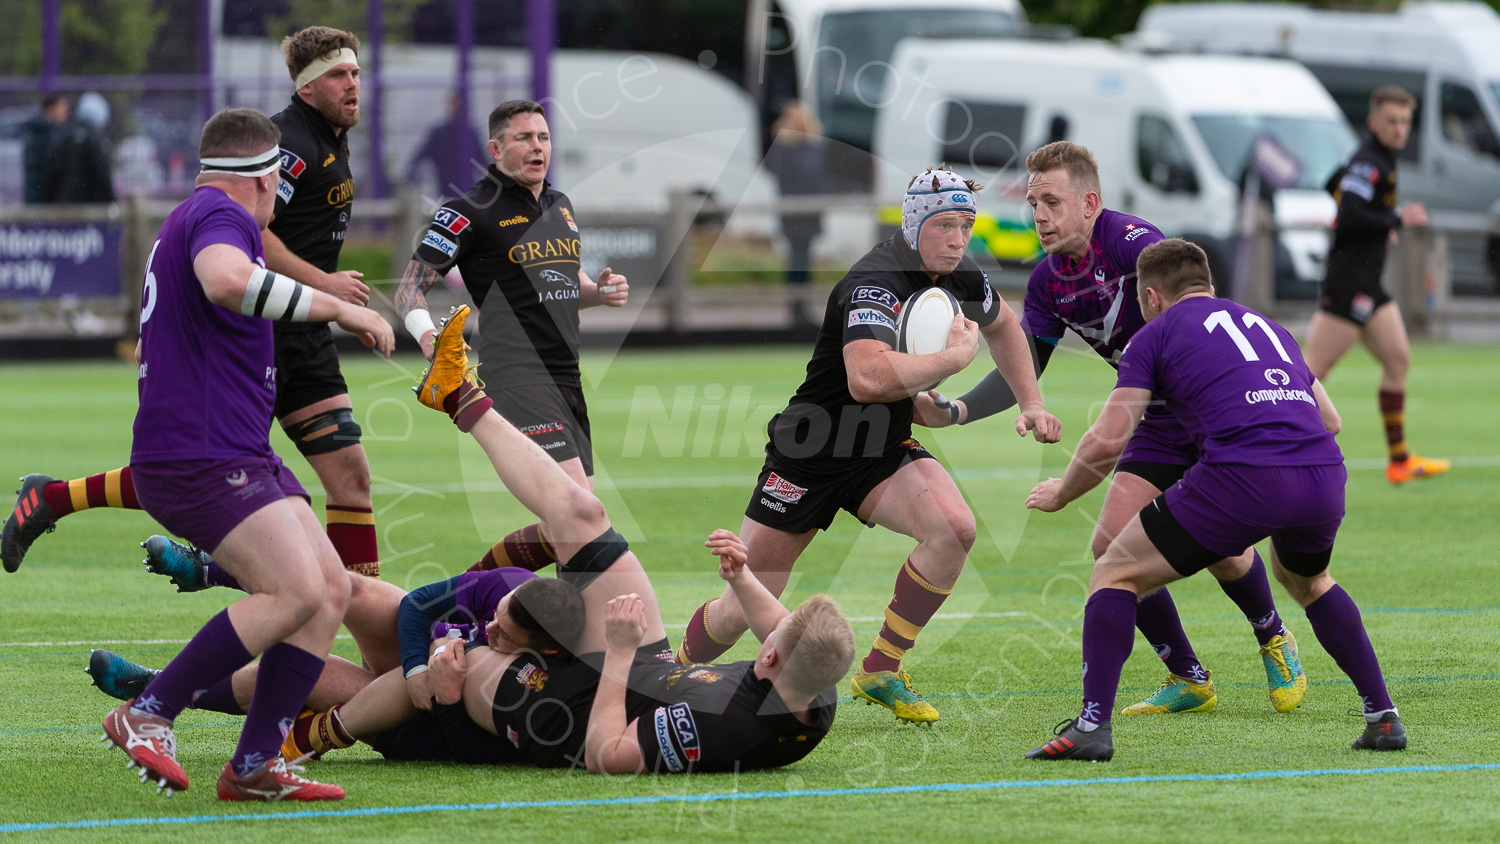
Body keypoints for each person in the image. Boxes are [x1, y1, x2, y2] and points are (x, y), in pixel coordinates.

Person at [277, 311, 855, 773]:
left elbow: (609, 756)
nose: (766, 627)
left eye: (770, 636)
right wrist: (742, 580)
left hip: (570, 715)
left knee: (446, 662)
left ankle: (306, 727)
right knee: (582, 510)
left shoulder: (729, 727)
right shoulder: (813, 689)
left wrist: (621, 653)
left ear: (774, 658)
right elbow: (786, 631)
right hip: (643, 661)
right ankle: (456, 391)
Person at [3, 29, 394, 669]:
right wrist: (326, 288)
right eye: (338, 75)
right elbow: (246, 239)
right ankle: (323, 622)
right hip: (260, 327)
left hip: (303, 336)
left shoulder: (329, 139)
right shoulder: (286, 148)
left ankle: (354, 617)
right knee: (204, 467)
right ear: (306, 86)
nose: (352, 84)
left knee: (347, 476)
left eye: (356, 72)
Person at [916, 142, 1306, 717]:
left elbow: (1200, 312)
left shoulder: (1132, 243)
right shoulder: (1049, 282)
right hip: (1151, 418)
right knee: (1111, 548)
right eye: (1033, 202)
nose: (1038, 216)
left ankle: (1273, 635)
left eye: (1051, 202)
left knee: (1223, 551)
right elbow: (1025, 366)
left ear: (1090, 202)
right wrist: (958, 411)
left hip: (1203, 414)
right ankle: (1189, 676)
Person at [676, 167, 1060, 725]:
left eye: (967, 225)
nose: (958, 239)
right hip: (812, 450)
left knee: (954, 529)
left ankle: (881, 668)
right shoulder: (874, 282)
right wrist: (953, 361)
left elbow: (1003, 325)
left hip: (880, 448)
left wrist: (1031, 403)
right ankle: (667, 671)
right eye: (946, 225)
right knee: (740, 608)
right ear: (914, 225)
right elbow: (867, 380)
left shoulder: (960, 273)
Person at [97, 107, 393, 801]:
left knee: (329, 591)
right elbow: (226, 281)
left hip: (235, 447)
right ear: (261, 178)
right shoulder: (220, 217)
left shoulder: (202, 214)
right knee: (292, 592)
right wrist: (339, 306)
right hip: (200, 451)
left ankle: (255, 764)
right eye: (278, 185)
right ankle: (149, 711)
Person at [1022, 238, 1403, 761]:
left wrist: (1063, 493)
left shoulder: (1153, 336)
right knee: (1309, 581)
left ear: (1151, 297)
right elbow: (1331, 421)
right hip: (1322, 474)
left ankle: (1091, 728)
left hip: (1243, 474)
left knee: (1114, 570)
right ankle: (1382, 717)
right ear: (1208, 286)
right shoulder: (1269, 326)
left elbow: (1110, 438)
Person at [393, 99, 628, 576]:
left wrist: (598, 293)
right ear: (495, 148)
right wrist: (428, 338)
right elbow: (406, 290)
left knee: (574, 523)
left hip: (566, 379)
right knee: (581, 515)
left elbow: (561, 287)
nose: (537, 147)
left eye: (542, 137)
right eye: (523, 138)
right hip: (517, 378)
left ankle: (472, 595)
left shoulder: (559, 206)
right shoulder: (468, 210)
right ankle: (578, 634)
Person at [1303, 85, 1448, 486]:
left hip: (1370, 286)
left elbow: (1333, 183)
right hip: (1349, 284)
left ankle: (1399, 460)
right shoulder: (1370, 162)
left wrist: (1380, 225)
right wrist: (1395, 221)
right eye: (1392, 121)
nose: (1400, 129)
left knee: (1398, 360)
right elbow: (1350, 213)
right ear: (1373, 122)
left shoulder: (1376, 158)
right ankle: (1265, 446)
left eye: (1405, 122)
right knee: (1308, 374)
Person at [765, 100, 827, 327]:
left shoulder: (814, 147)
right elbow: (783, 179)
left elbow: (819, 179)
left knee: (804, 260)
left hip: (810, 214)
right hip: (793, 215)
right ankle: (796, 307)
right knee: (796, 261)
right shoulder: (782, 148)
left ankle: (803, 305)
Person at [404, 92, 486, 200]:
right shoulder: (439, 133)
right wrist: (412, 175)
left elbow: (483, 160)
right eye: (453, 105)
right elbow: (420, 156)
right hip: (445, 190)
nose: (456, 109)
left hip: (468, 192)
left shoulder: (470, 133)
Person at [44, 91, 114, 204]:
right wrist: (111, 201)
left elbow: (51, 177)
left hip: (64, 208)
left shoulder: (66, 139)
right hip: (90, 209)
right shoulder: (97, 142)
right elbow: (103, 176)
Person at [22, 94, 68, 204]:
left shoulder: (35, 133)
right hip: (44, 203)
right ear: (50, 108)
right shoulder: (47, 138)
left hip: (34, 200)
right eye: (62, 107)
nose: (65, 112)